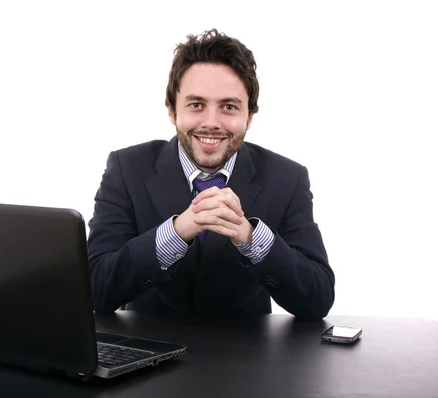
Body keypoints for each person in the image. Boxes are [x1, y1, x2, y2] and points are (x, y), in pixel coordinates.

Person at [87, 29, 335, 319]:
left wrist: (250, 238)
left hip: (249, 356)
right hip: (147, 353)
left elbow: (317, 299)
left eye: (228, 107)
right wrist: (177, 232)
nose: (211, 122)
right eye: (196, 105)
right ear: (172, 111)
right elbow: (96, 289)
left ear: (249, 117)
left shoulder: (288, 179)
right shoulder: (126, 168)